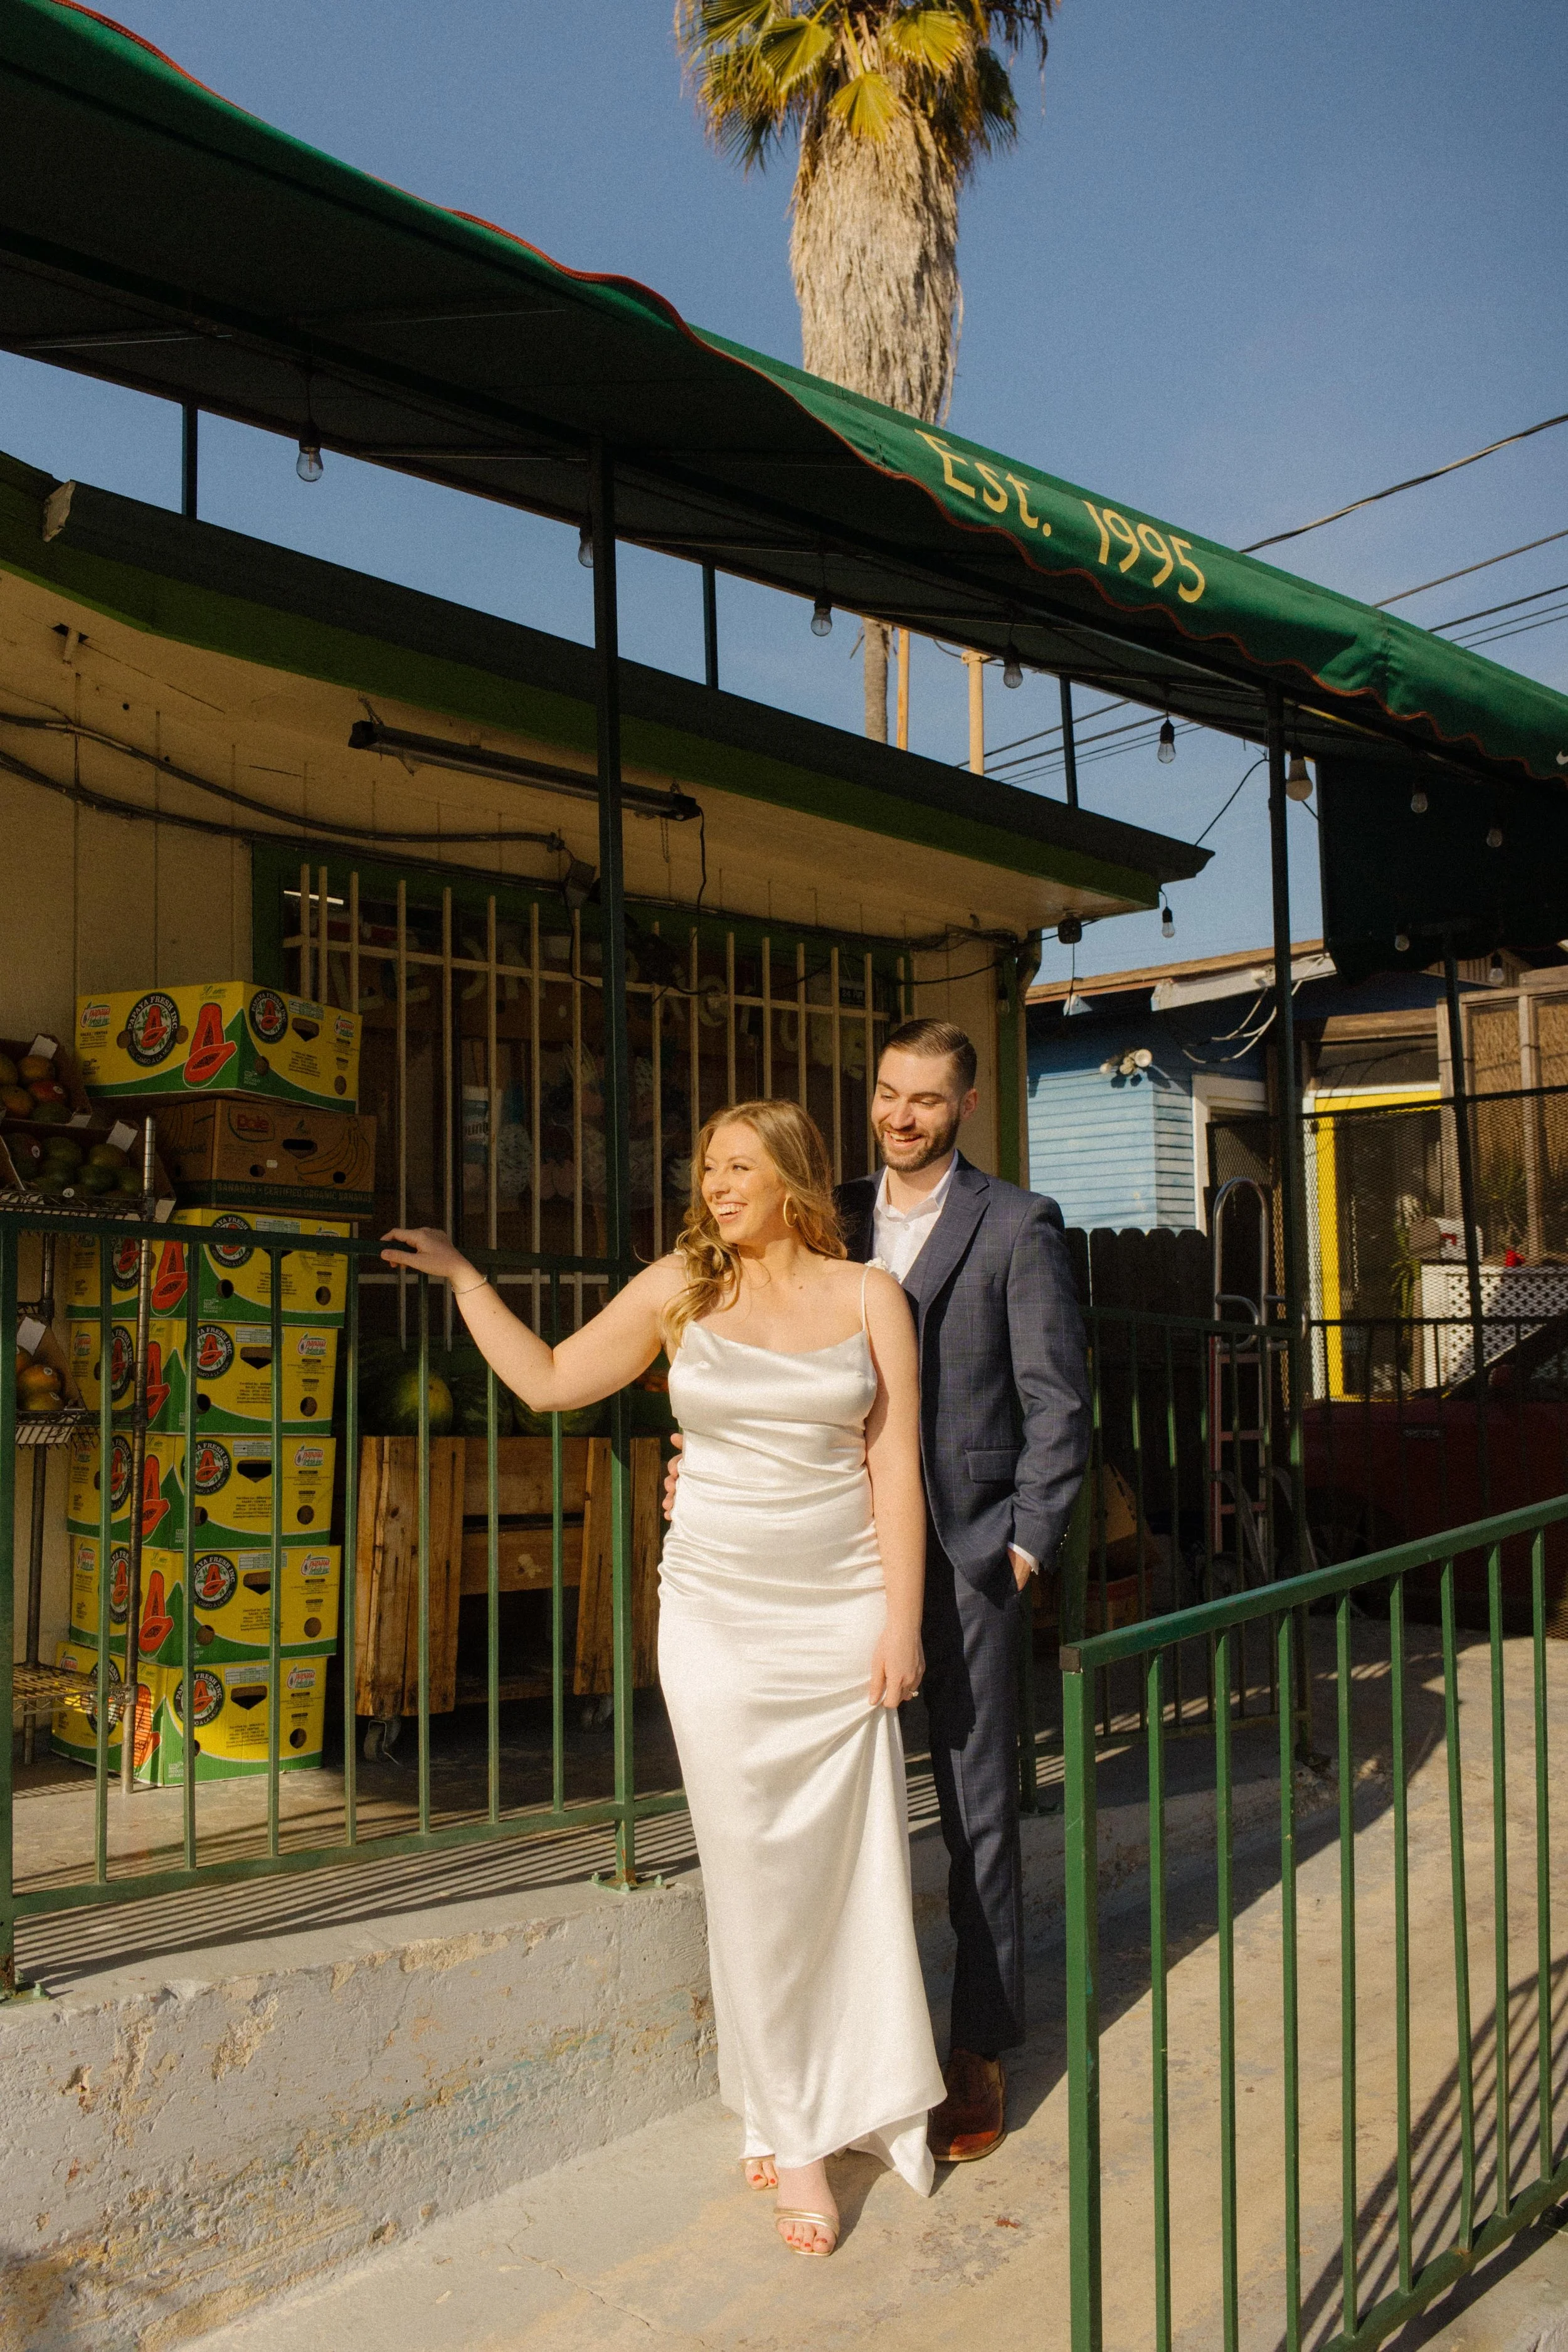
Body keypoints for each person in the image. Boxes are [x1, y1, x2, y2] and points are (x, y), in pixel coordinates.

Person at [381, 1098, 945, 2260]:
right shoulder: (678, 1289)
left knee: (850, 1869)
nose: (716, 1185)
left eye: (738, 1166)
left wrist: (902, 1624)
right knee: (751, 1871)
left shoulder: (871, 1297)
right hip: (718, 1617)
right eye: (706, 1167)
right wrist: (465, 1278)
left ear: (795, 1175)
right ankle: (795, 2135)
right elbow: (545, 1379)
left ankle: (801, 2087)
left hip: (840, 1614)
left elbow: (898, 1468)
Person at [668, 1017, 1090, 2163]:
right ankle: (835, 2065)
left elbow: (1058, 1403)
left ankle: (978, 2049)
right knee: (828, 1831)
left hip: (961, 1567)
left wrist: (1022, 1550)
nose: (903, 1115)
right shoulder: (828, 1211)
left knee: (976, 1816)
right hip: (824, 1565)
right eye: (889, 1094)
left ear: (965, 1106)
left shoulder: (1017, 1225)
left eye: (929, 1099)